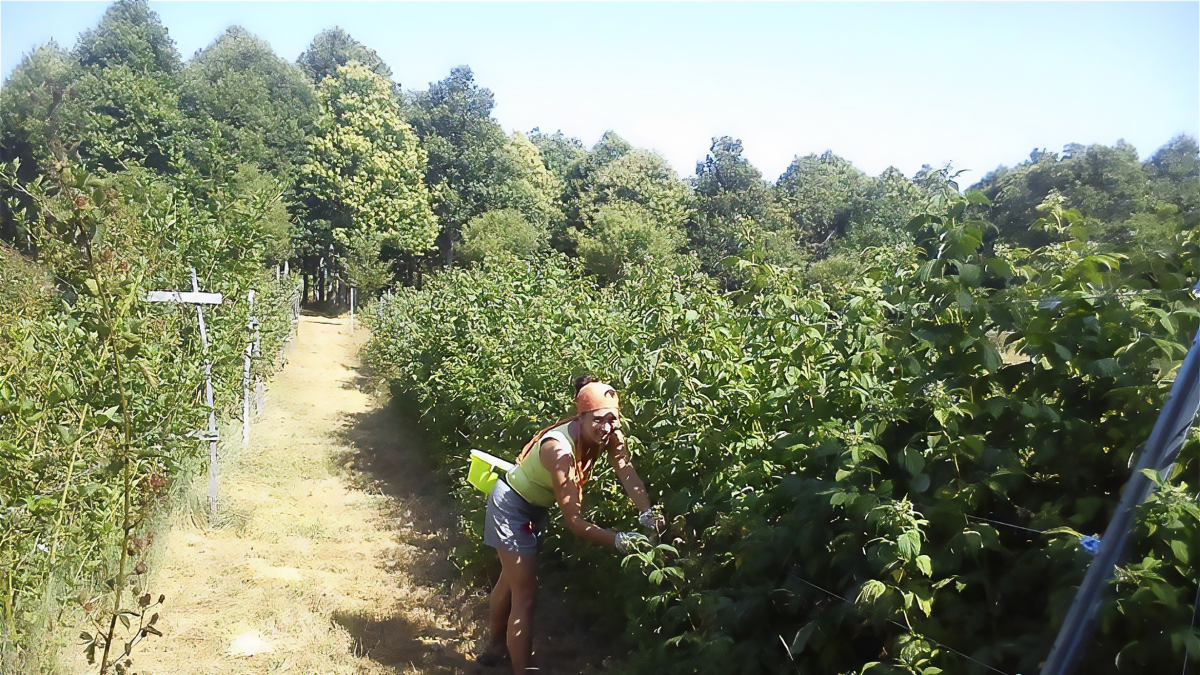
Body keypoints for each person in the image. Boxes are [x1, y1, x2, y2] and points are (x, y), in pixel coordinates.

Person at [478, 377, 664, 673]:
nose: (606, 427)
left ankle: (496, 648)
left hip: (535, 507)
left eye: (612, 419)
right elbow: (574, 522)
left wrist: (647, 513)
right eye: (599, 420)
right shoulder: (559, 451)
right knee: (525, 593)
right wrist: (619, 540)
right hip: (511, 506)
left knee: (511, 580)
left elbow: (626, 471)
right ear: (581, 417)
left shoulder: (610, 433)